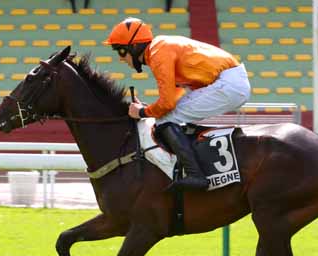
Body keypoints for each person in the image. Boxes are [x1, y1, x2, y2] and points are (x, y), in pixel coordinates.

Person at [105, 17, 251, 191]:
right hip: (229, 81)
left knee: (165, 120)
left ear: (134, 46)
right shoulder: (159, 48)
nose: (121, 59)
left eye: (121, 51)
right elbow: (172, 99)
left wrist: (142, 112)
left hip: (228, 84)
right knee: (168, 117)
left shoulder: (158, 53)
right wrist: (147, 108)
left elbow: (167, 104)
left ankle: (196, 175)